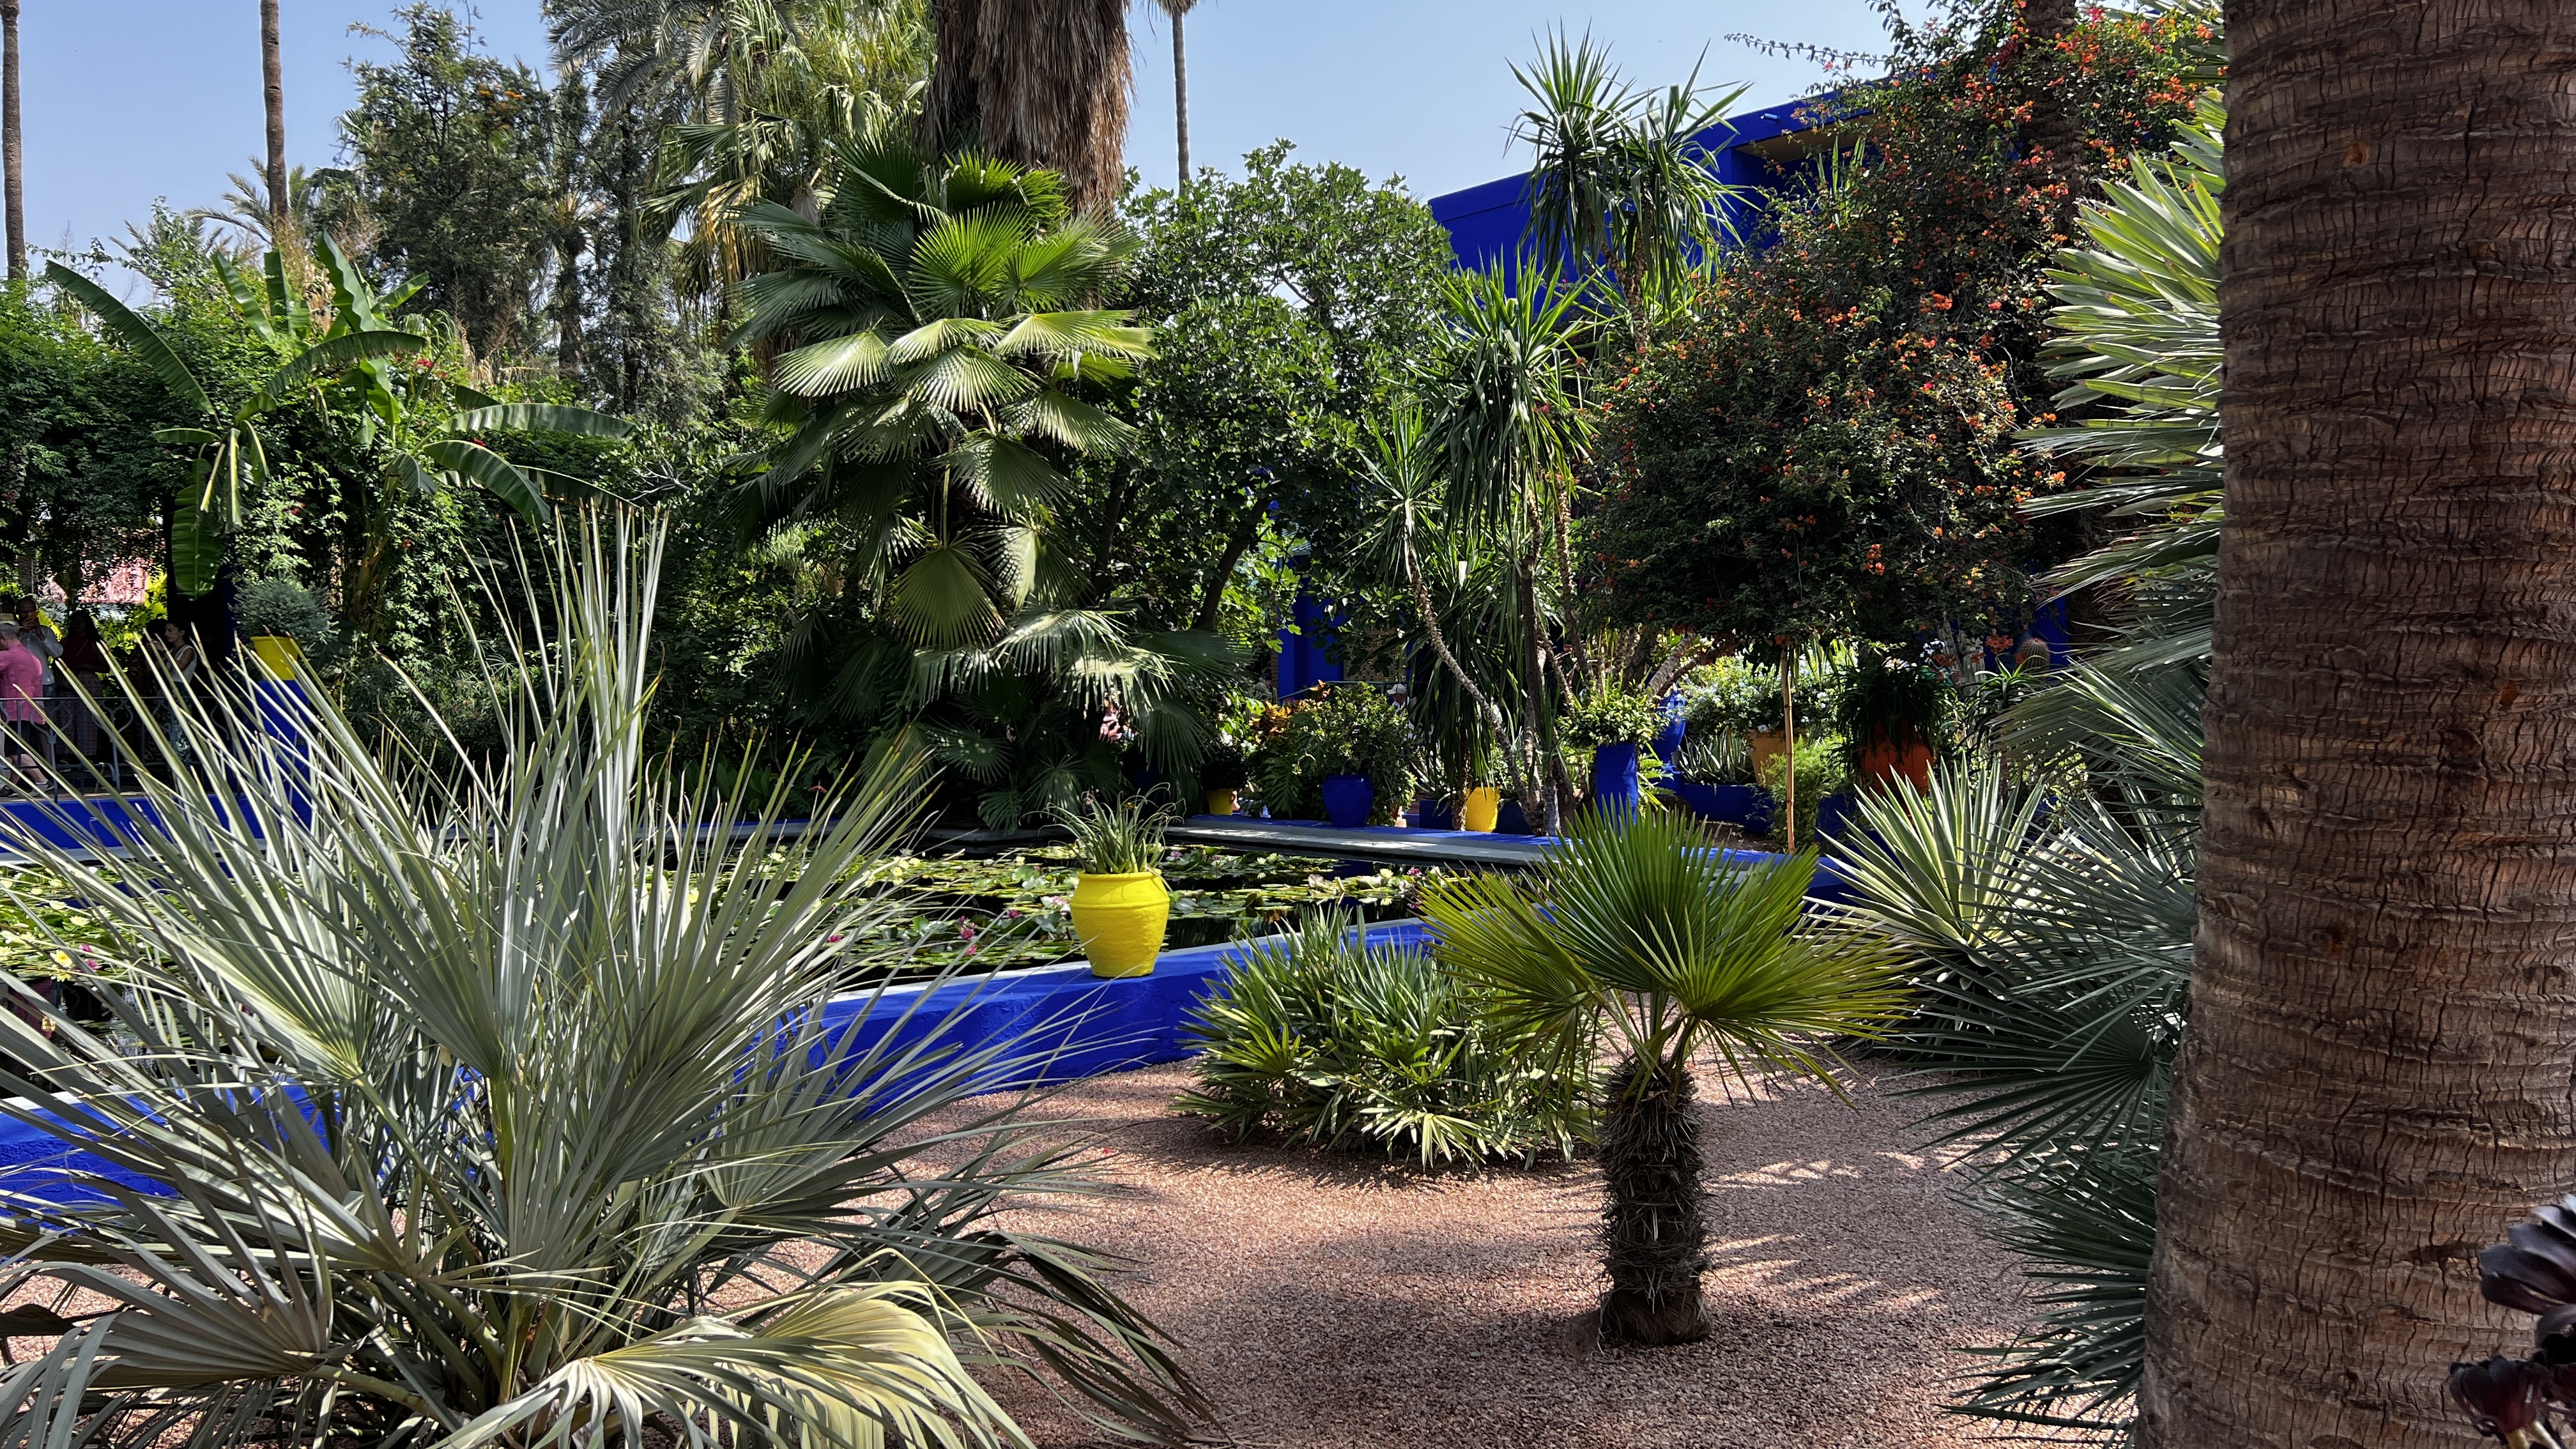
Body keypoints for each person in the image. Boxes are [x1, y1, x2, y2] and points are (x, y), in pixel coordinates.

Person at [0, 622, 47, 792]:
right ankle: (12, 787)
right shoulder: (32, 656)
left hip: (15, 710)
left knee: (15, 752)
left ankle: (42, 781)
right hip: (32, 711)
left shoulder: (9, 656)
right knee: (20, 750)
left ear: (3, 638)